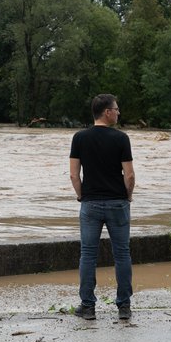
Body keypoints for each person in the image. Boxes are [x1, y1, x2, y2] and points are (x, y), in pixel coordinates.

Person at [69, 94, 135, 320]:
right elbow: (130, 174)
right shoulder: (121, 139)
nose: (118, 113)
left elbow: (73, 175)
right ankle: (124, 306)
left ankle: (88, 306)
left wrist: (81, 196)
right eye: (116, 109)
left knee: (87, 254)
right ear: (106, 112)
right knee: (122, 254)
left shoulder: (79, 138)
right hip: (117, 202)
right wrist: (128, 196)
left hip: (90, 203)